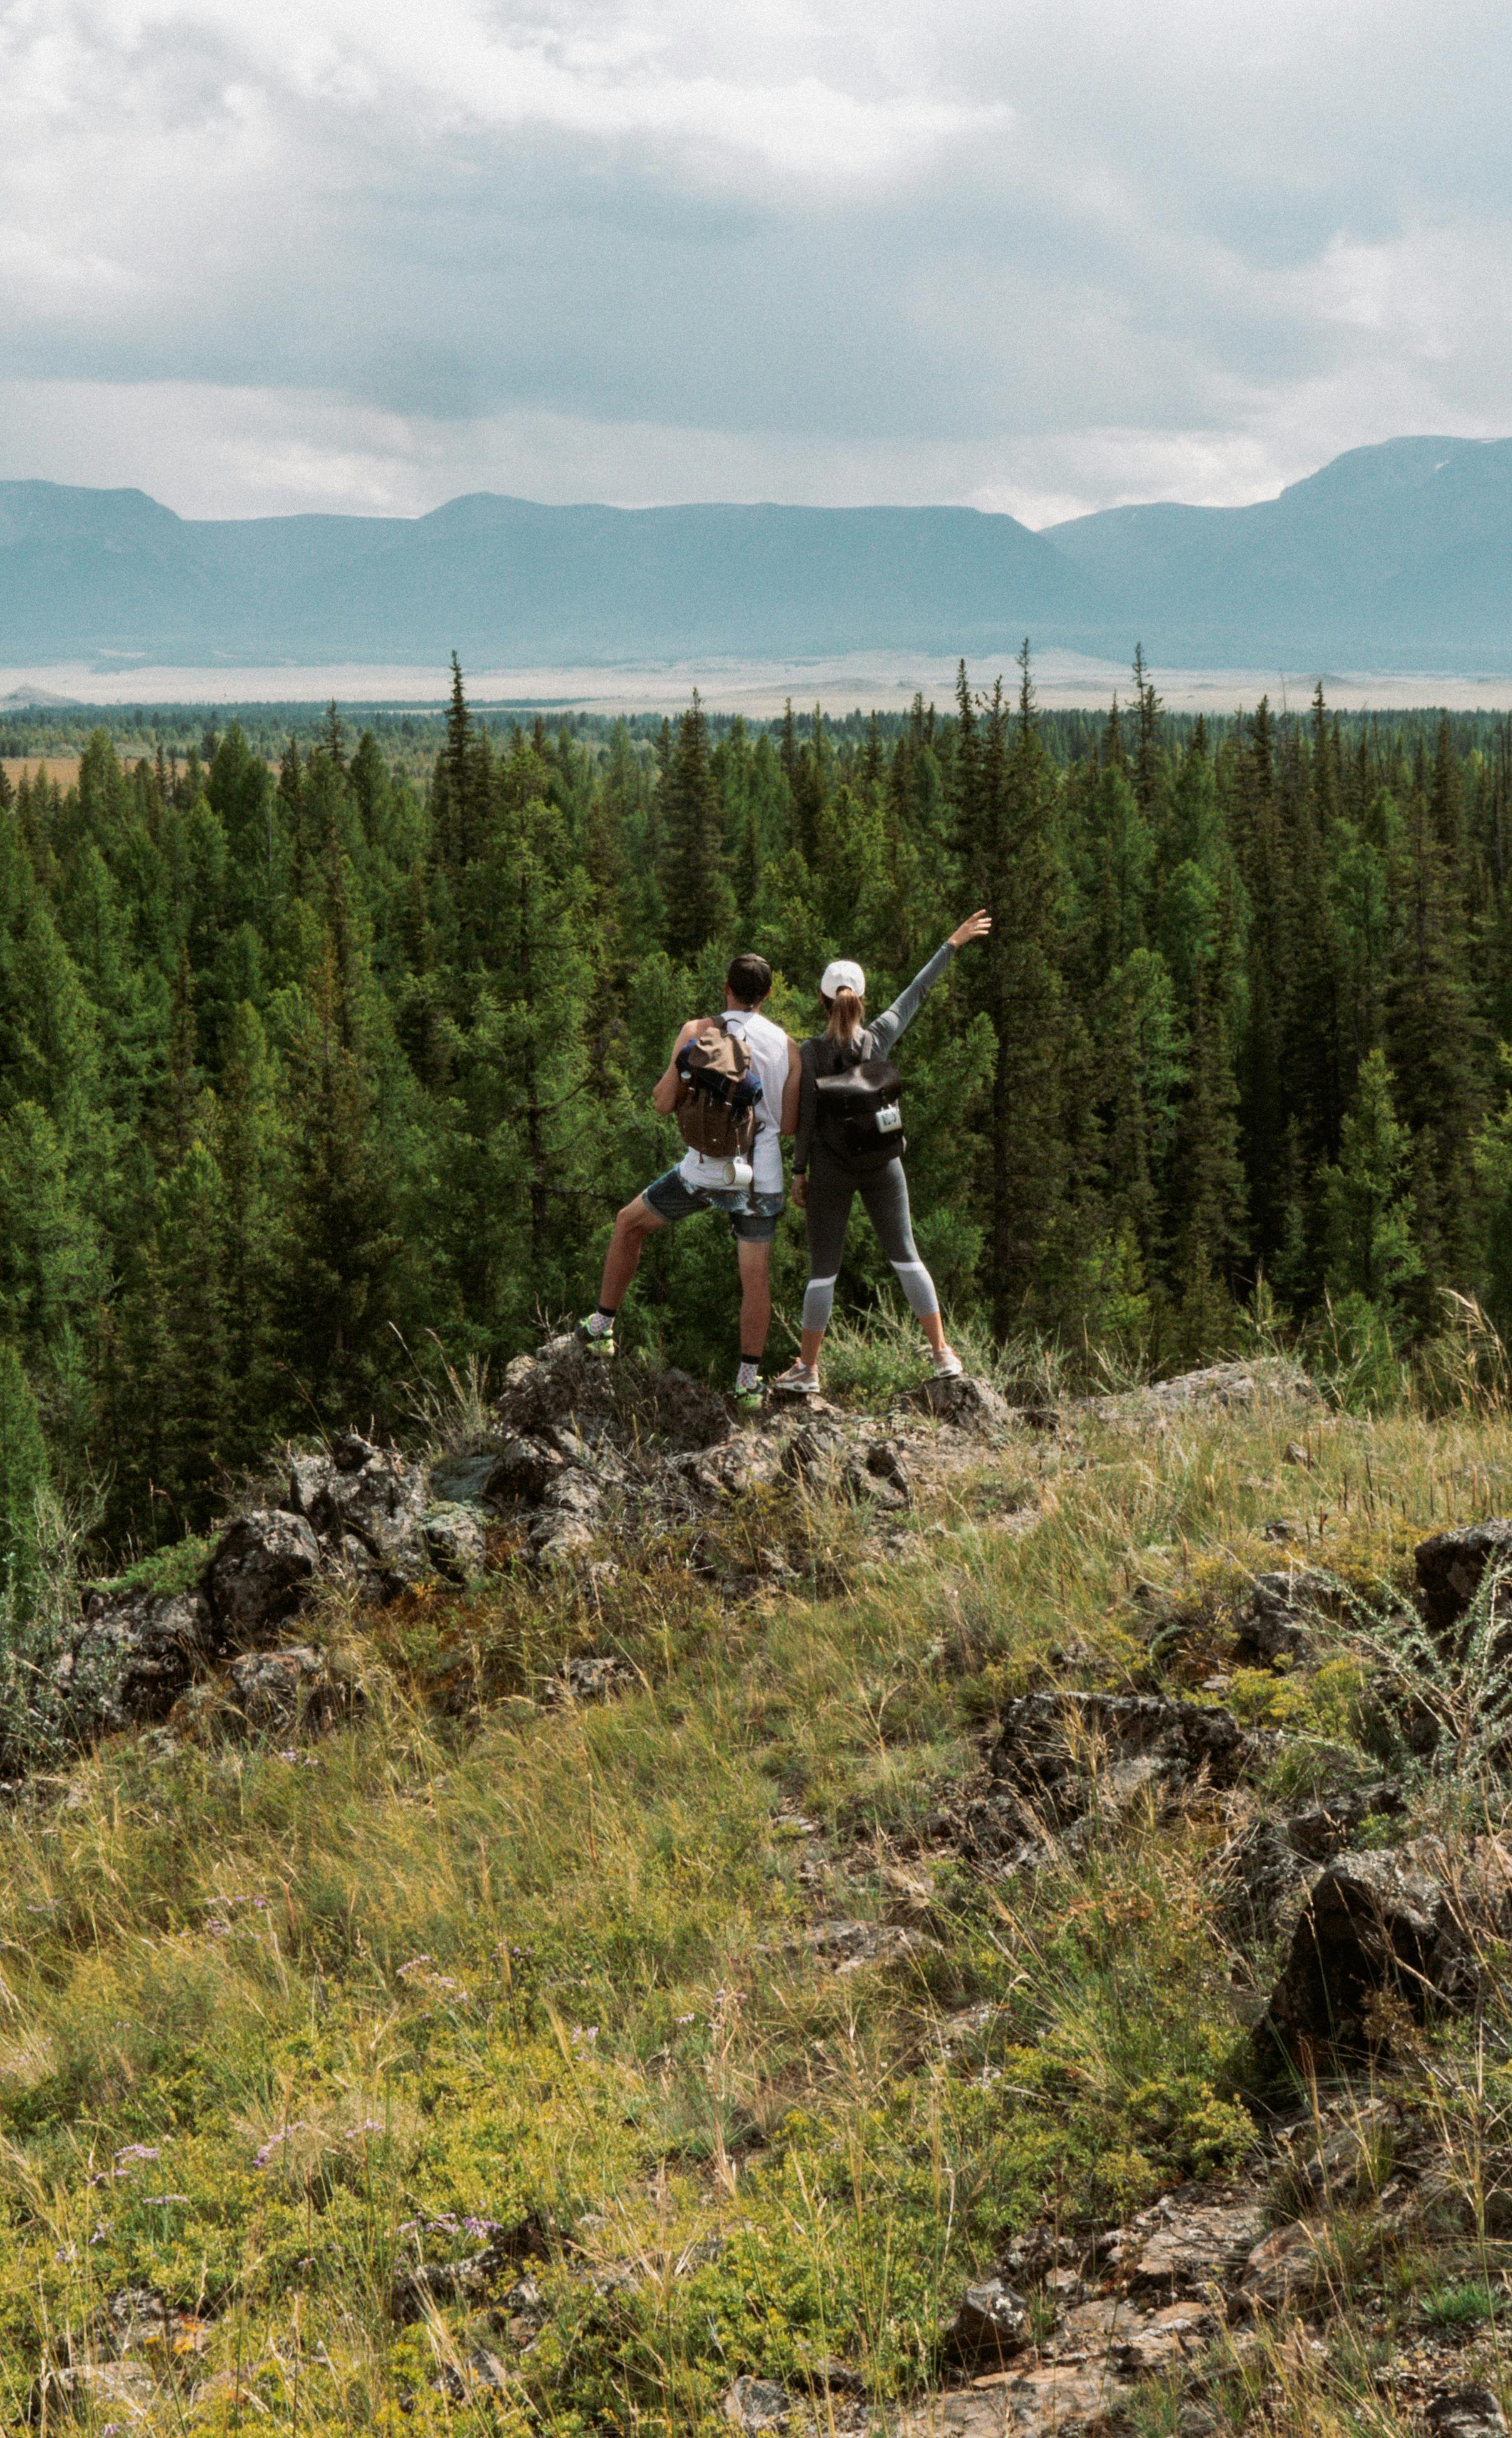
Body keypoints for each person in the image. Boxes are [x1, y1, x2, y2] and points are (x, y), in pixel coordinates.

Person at [774, 912, 992, 1396]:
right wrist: (951, 943)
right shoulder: (880, 1035)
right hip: (883, 1164)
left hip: (831, 1168)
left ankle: (808, 1370)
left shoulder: (809, 1053)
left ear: (822, 1000)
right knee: (907, 1258)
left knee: (823, 1270)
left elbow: (806, 1119)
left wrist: (799, 1172)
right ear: (861, 999)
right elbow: (917, 990)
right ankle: (943, 1355)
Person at [578, 952, 800, 1406]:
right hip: (761, 1178)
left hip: (704, 1170)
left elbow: (662, 1103)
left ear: (726, 988)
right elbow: (791, 1124)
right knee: (755, 1279)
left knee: (629, 1224)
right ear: (769, 994)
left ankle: (602, 1329)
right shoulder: (786, 1045)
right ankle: (747, 1384)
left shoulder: (698, 1031)